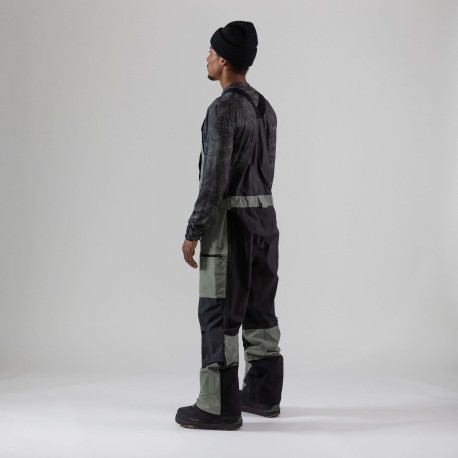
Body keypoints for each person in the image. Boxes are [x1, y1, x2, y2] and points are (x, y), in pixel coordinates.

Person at [176, 20, 283, 431]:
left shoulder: (223, 109)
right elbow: (266, 170)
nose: (206, 57)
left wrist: (194, 230)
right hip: (265, 220)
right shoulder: (265, 107)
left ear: (223, 60)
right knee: (260, 307)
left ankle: (218, 406)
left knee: (219, 311)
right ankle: (262, 394)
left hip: (231, 224)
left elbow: (214, 179)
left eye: (211, 52)